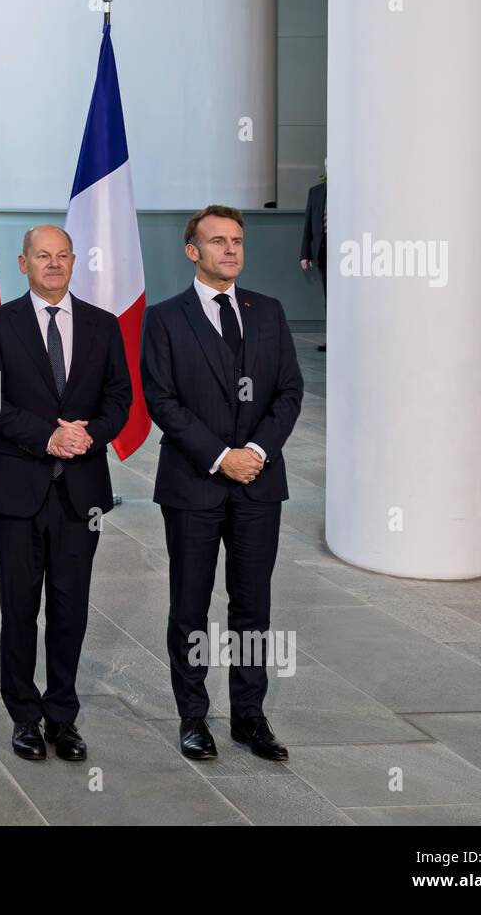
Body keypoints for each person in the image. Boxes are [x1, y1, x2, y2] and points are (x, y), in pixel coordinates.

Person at [141, 205, 303, 762]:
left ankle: (249, 717)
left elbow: (288, 392)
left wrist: (254, 452)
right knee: (189, 604)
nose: (230, 250)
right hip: (193, 484)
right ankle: (193, 717)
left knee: (252, 606)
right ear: (193, 251)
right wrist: (219, 457)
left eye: (236, 240)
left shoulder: (269, 312)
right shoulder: (165, 318)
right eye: (217, 242)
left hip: (259, 483)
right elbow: (163, 401)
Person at [0, 224, 132, 761]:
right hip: (16, 488)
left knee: (70, 609)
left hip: (80, 492)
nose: (54, 264)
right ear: (23, 263)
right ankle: (23, 715)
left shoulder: (103, 326)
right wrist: (47, 435)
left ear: (73, 261)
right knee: (19, 609)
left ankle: (62, 715)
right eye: (43, 256)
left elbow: (119, 398)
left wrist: (87, 435)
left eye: (63, 255)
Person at [298, 172, 327, 351]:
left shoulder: (351, 191)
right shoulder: (316, 192)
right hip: (323, 252)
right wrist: (305, 254)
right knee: (329, 297)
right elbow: (308, 224)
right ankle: (332, 338)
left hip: (349, 249)